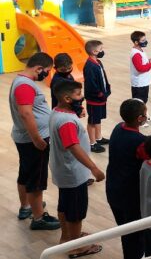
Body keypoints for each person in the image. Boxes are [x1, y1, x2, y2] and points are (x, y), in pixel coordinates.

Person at [49, 80, 105, 258]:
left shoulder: (57, 112)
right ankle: (76, 247)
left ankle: (66, 238)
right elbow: (73, 146)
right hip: (73, 173)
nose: (82, 97)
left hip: (62, 171)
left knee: (64, 205)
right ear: (67, 98)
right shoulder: (67, 121)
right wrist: (94, 168)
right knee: (76, 212)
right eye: (78, 94)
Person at [9, 52, 60, 230]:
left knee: (26, 173)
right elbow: (25, 113)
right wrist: (37, 138)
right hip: (33, 140)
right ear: (39, 68)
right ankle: (39, 218)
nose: (47, 74)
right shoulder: (25, 85)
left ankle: (26, 207)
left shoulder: (21, 81)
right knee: (36, 179)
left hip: (26, 138)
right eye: (47, 71)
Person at [106, 99, 149, 259]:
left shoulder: (118, 128)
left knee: (125, 229)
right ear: (140, 118)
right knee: (135, 235)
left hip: (113, 189)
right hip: (130, 195)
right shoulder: (140, 142)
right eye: (145, 114)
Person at [83, 40, 111, 153]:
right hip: (94, 99)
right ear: (94, 52)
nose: (102, 51)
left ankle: (98, 138)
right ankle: (92, 143)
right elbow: (91, 84)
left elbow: (103, 77)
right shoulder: (89, 66)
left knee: (98, 119)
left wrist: (107, 89)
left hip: (101, 98)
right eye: (100, 49)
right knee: (92, 121)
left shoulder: (98, 62)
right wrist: (99, 93)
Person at [130, 31, 151, 108]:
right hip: (139, 84)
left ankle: (143, 113)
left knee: (143, 101)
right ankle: (139, 115)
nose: (145, 41)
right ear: (136, 42)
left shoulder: (140, 50)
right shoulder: (136, 54)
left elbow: (142, 62)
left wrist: (149, 61)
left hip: (144, 82)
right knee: (139, 103)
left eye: (145, 39)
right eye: (142, 40)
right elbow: (140, 68)